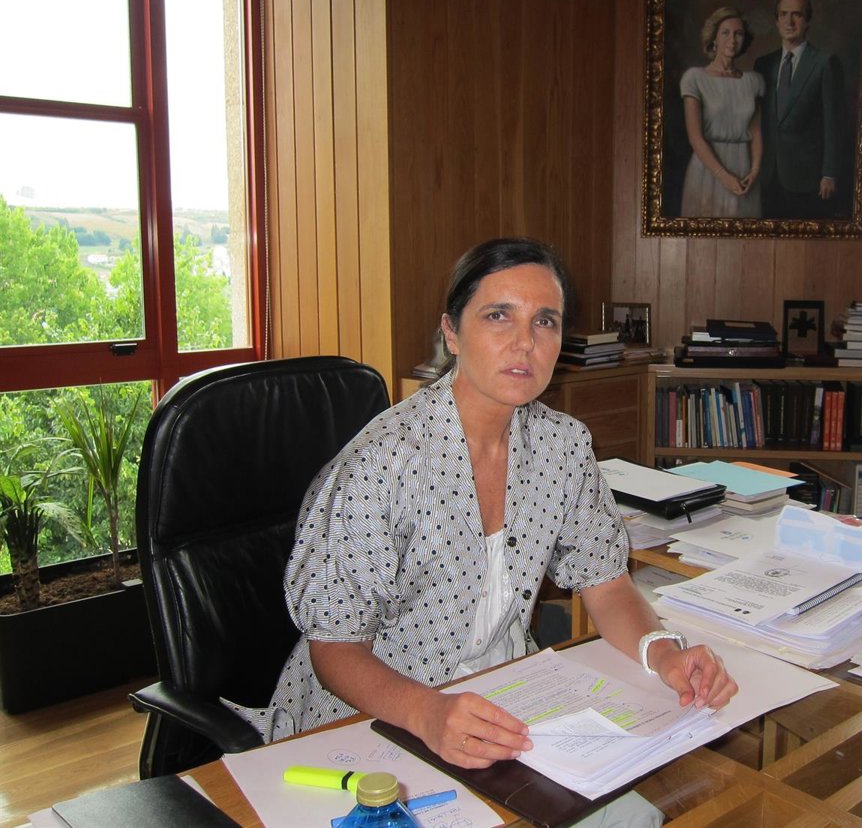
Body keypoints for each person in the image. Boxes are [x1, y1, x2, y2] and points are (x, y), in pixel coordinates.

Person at [238, 237, 738, 769]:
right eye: (499, 316)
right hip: (374, 717)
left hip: (506, 697)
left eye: (545, 321)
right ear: (452, 332)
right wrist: (427, 713)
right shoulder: (383, 464)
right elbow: (335, 647)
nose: (525, 342)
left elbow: (607, 584)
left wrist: (663, 653)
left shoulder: (563, 447)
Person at [753, 0, 844, 220]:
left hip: (808, 178)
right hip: (768, 174)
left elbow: (833, 124)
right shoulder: (763, 64)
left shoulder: (824, 63)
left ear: (808, 21)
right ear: (776, 21)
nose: (789, 21)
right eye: (783, 14)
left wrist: (829, 174)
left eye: (797, 15)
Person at [679, 7, 764, 217]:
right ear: (714, 38)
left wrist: (754, 171)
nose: (732, 40)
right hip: (707, 169)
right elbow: (695, 137)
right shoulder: (695, 78)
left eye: (738, 34)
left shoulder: (753, 81)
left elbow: (756, 133)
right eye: (725, 33)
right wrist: (724, 177)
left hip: (744, 168)